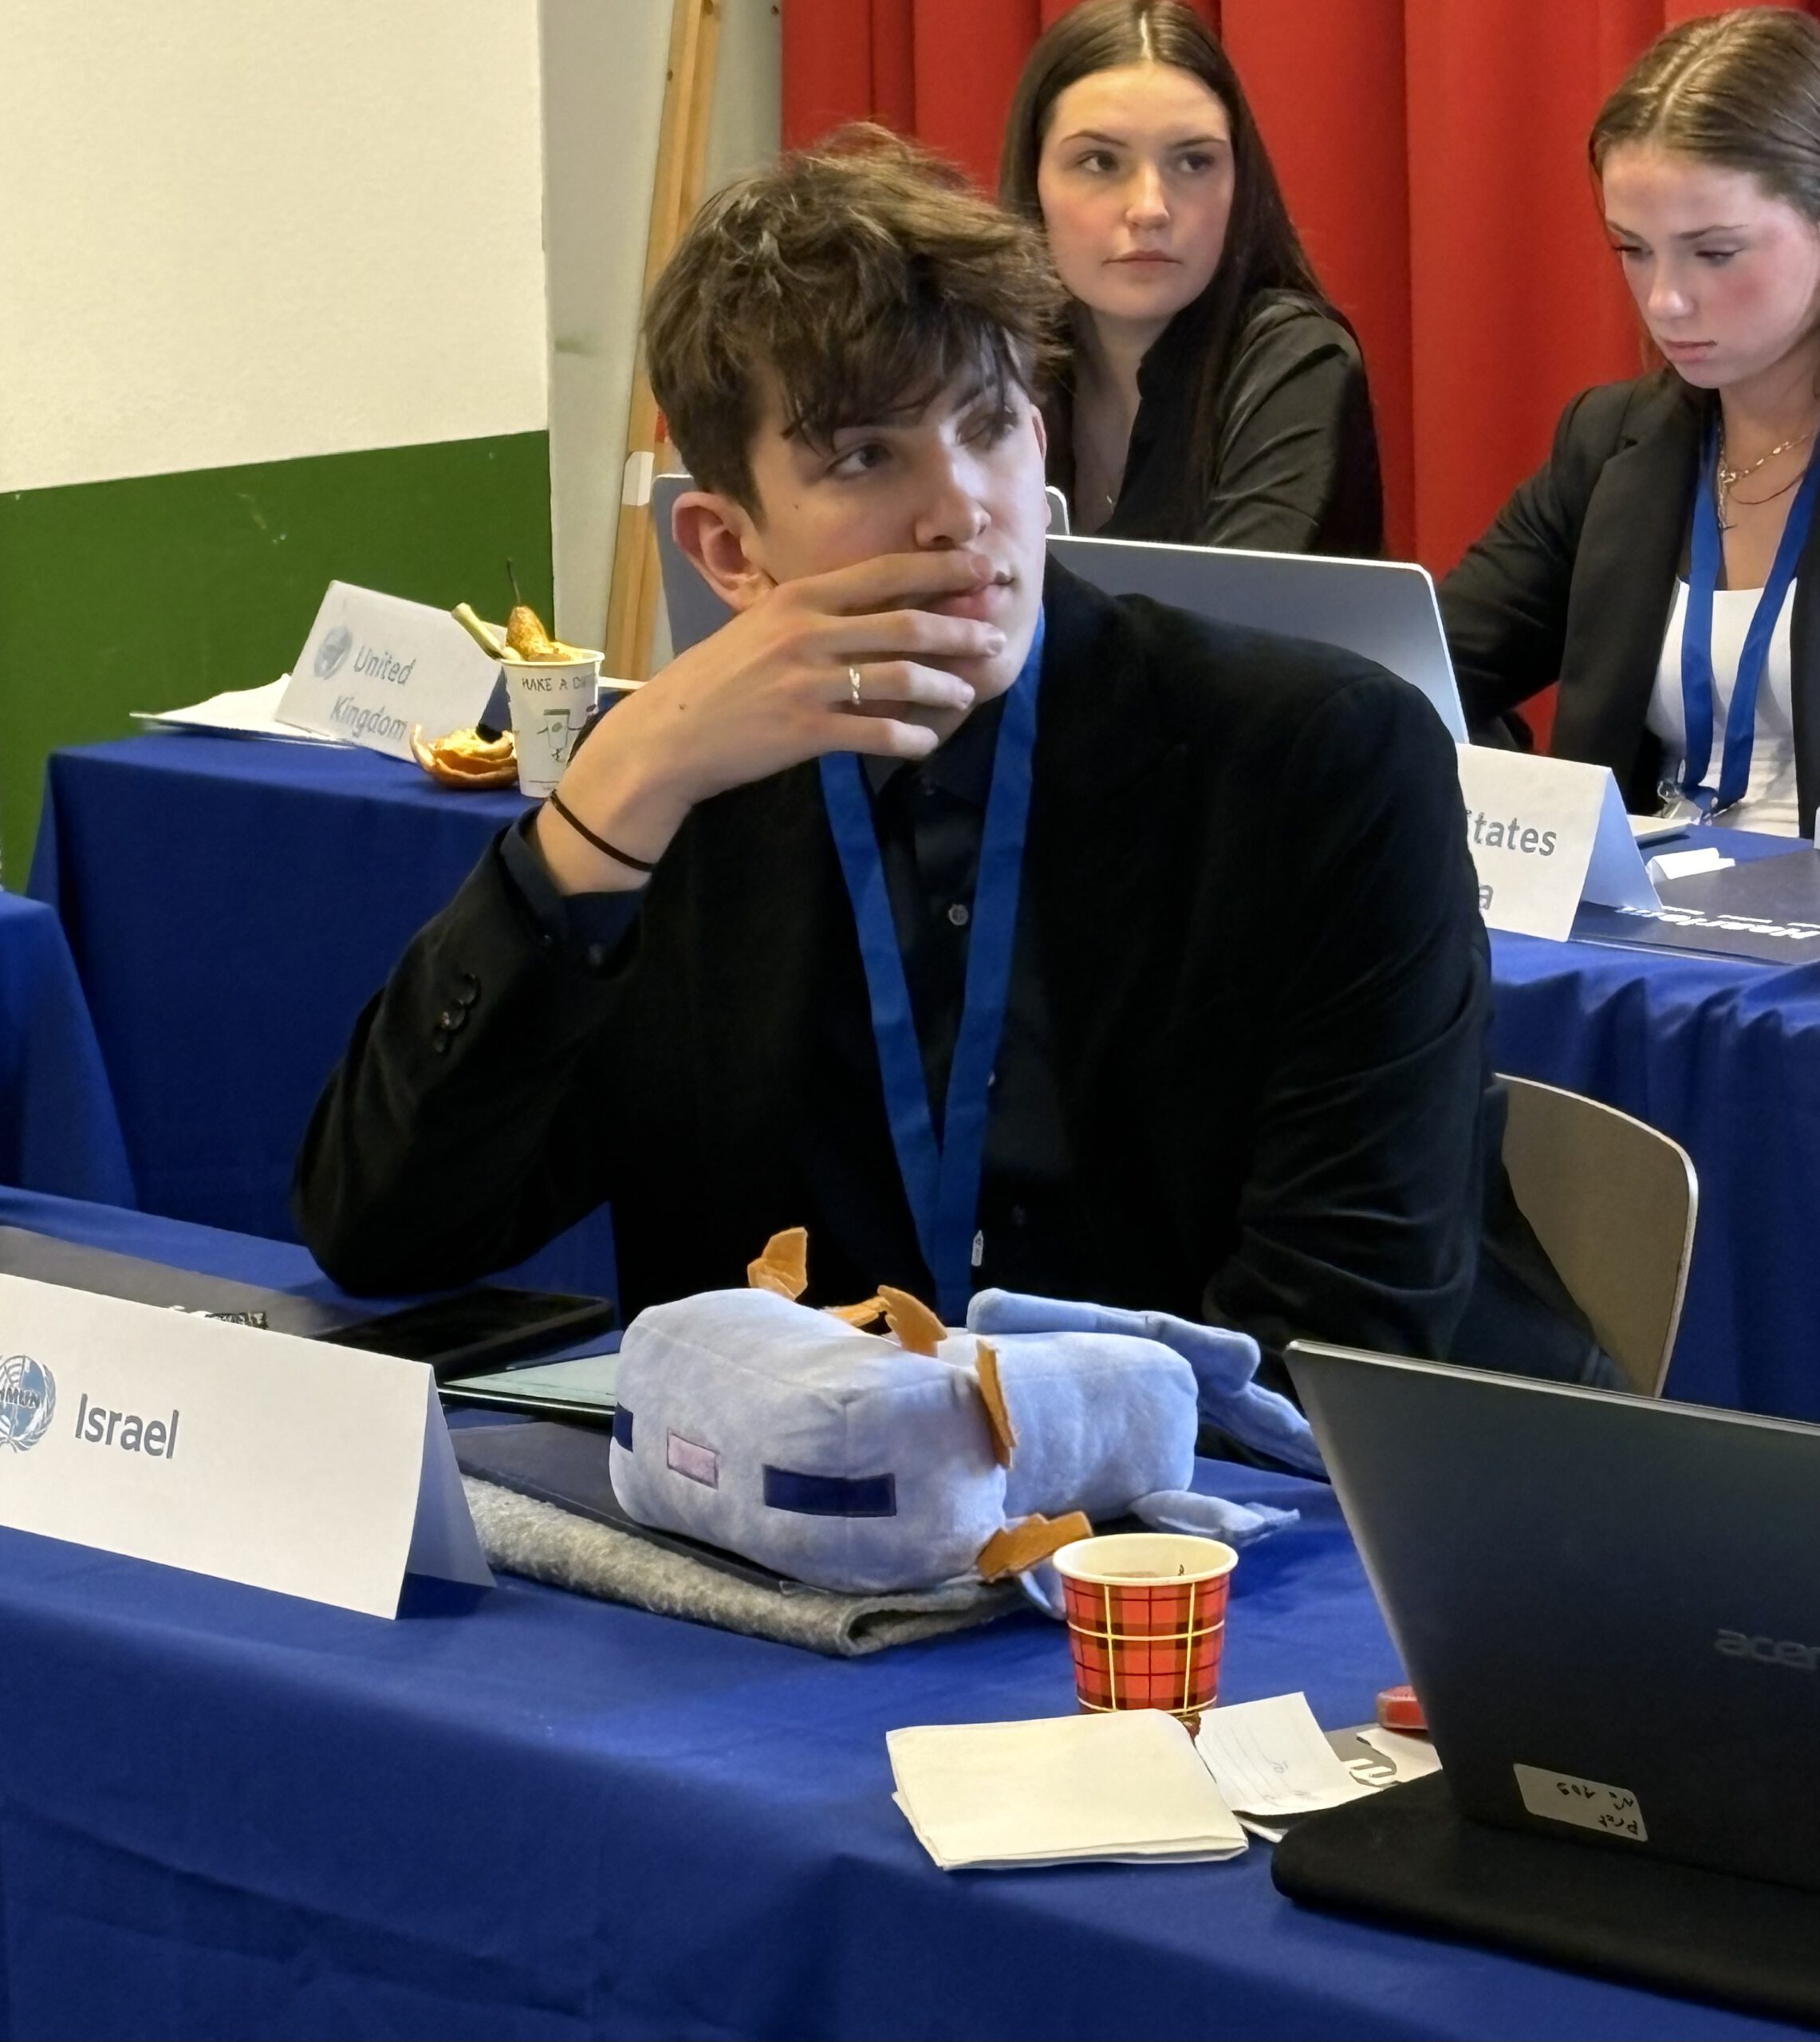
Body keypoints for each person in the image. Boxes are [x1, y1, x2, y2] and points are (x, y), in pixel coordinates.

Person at [293, 131, 1602, 1398]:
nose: (960, 508)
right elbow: (386, 1231)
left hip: (1221, 1512)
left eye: (988, 427)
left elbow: (1331, 1343)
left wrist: (962, 1469)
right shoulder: (681, 793)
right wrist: (606, 799)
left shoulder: (1317, 758)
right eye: (867, 456)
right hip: (820, 1504)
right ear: (729, 549)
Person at [1444, 7, 1820, 838]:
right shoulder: (1612, 440)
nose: (1664, 300)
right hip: (1647, 907)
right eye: (1632, 250)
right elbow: (1429, 669)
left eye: (1713, 252)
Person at [999, 0, 1382, 553]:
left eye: (1194, 162)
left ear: (1238, 184)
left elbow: (1230, 605)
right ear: (1034, 181)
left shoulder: (1297, 360)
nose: (1149, 208)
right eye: (1100, 162)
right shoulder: (987, 365)